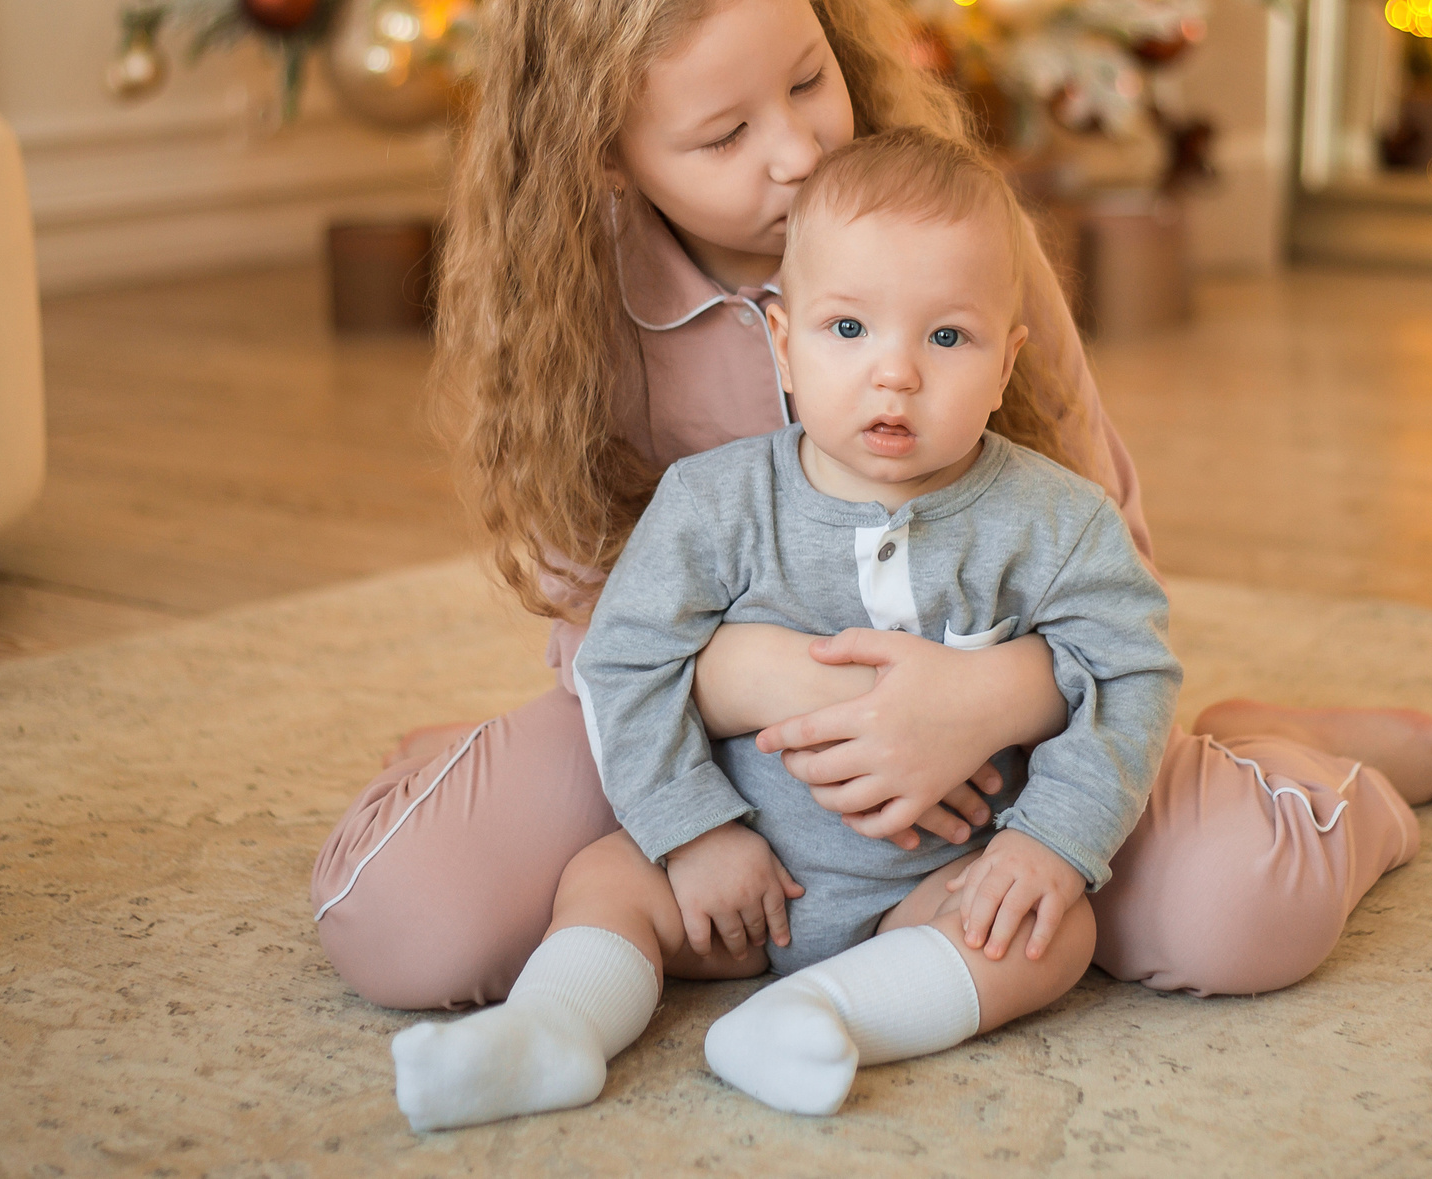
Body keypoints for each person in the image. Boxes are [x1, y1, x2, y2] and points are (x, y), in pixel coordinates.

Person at [309, 0, 1432, 1017]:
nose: (797, 149)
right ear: (606, 160)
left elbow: (1105, 559)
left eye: (809, 81)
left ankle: (1285, 760)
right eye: (722, 137)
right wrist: (763, 680)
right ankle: (460, 772)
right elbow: (598, 633)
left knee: (1242, 912)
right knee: (408, 927)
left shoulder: (958, 247)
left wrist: (990, 700)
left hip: (1008, 742)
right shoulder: (568, 310)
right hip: (689, 734)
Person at [391, 130, 1180, 1130]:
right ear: (782, 341)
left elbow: (1131, 672)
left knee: (1047, 934)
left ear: (1005, 360)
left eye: (946, 339)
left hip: (936, 882)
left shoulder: (1055, 520)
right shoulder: (715, 503)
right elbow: (626, 658)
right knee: (604, 877)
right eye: (848, 330)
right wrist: (693, 835)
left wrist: (1050, 847)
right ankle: (554, 1031)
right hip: (739, 875)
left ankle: (827, 1014)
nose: (894, 375)